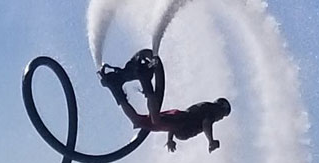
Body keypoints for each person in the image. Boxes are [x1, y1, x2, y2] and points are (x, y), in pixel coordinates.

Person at [98, 51, 231, 153]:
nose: (220, 118)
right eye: (223, 115)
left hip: (177, 123)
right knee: (155, 120)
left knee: (138, 121)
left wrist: (170, 139)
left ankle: (115, 87)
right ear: (222, 109)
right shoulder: (212, 111)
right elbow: (206, 123)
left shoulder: (208, 108)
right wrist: (211, 141)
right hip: (180, 120)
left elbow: (172, 126)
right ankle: (144, 77)